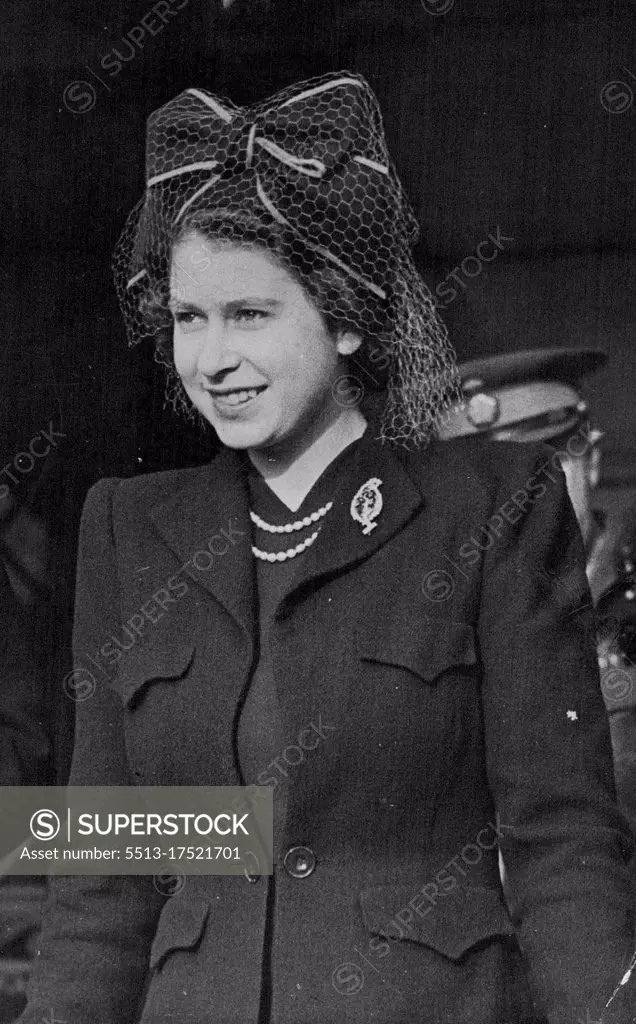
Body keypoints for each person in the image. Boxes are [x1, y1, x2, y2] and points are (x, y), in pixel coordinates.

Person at [17, 72, 635, 1024]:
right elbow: (106, 873)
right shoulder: (126, 529)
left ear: (346, 317)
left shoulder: (494, 510)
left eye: (250, 315)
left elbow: (561, 842)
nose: (210, 358)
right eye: (189, 318)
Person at [437, 346, 636, 846]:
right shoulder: (421, 626)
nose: (511, 504)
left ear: (590, 459)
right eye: (479, 481)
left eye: (540, 470)